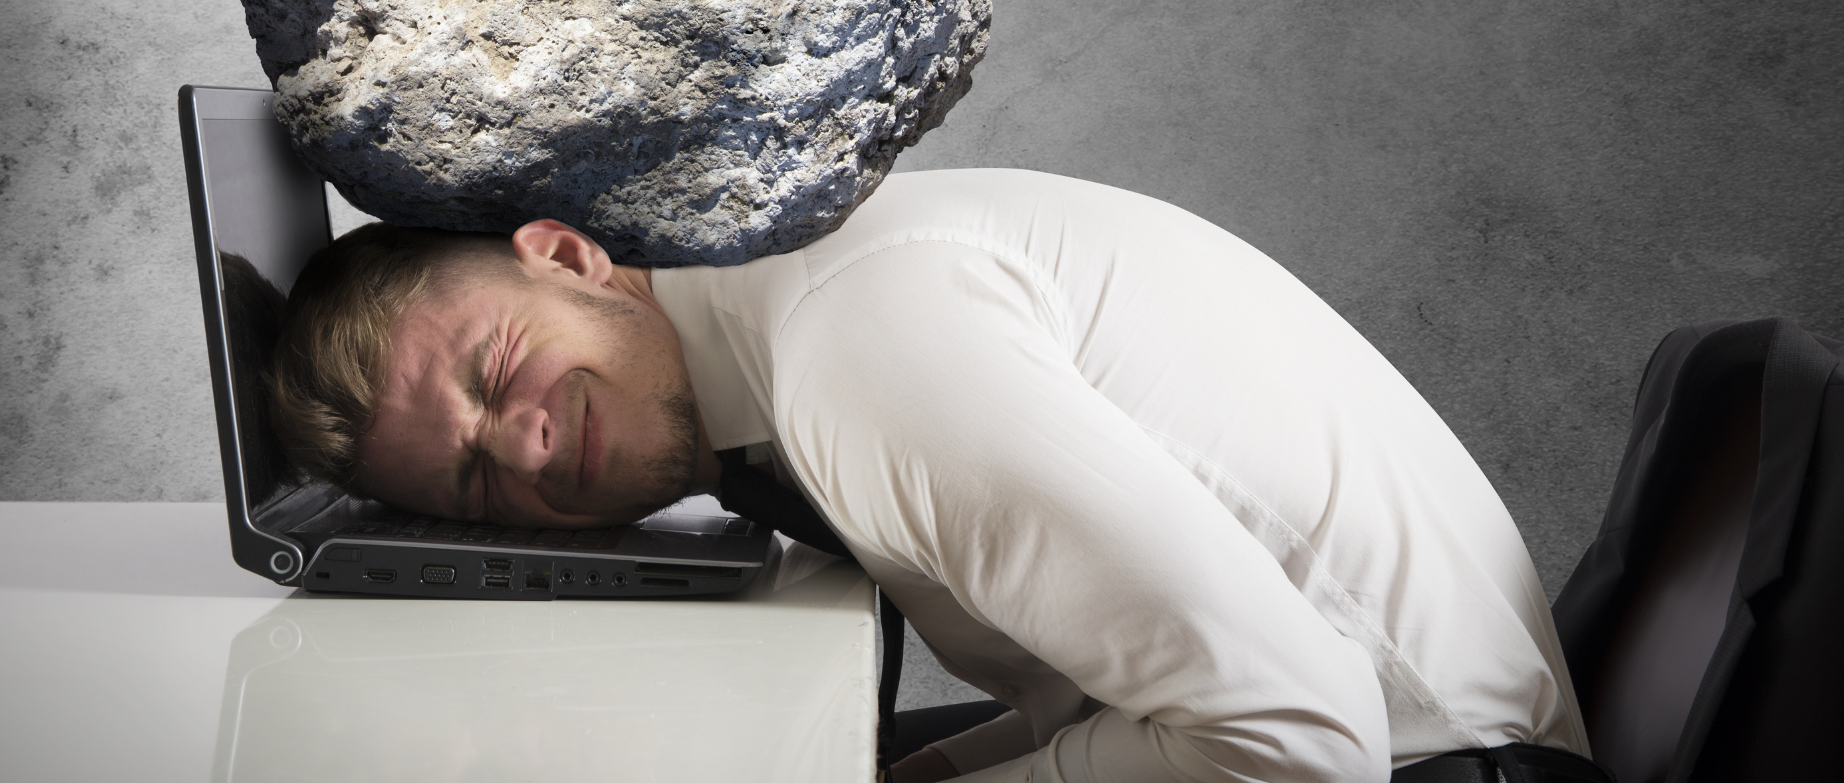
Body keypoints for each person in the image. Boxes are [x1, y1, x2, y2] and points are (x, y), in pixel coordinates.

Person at [269, 168, 1590, 783]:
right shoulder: (785, 301)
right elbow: (1156, 690)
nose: (523, 450)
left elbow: (1302, 739)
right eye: (473, 488)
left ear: (566, 254)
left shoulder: (852, 343)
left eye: (496, 373)